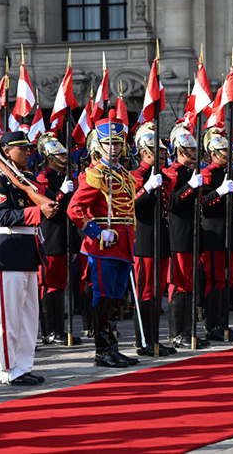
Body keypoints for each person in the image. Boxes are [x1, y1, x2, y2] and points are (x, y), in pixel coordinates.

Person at [0, 131, 57, 385]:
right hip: (8, 251)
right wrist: (36, 211)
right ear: (6, 152)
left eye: (28, 148)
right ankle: (7, 369)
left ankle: (23, 366)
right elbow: (0, 216)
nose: (28, 152)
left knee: (28, 316)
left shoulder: (24, 178)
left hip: (28, 249)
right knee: (9, 317)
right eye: (21, 149)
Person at [68, 117, 139, 367]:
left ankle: (113, 346)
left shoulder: (124, 174)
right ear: (98, 145)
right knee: (104, 296)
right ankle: (102, 350)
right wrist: (97, 232)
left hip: (124, 244)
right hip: (104, 245)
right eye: (108, 143)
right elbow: (75, 209)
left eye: (117, 143)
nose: (114, 148)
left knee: (116, 297)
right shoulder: (95, 175)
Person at [129, 123, 174, 356]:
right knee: (145, 293)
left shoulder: (163, 176)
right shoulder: (136, 176)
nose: (164, 155)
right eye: (160, 151)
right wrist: (146, 189)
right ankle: (143, 341)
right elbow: (131, 206)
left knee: (158, 292)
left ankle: (154, 338)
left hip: (161, 240)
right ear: (145, 151)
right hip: (144, 240)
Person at [163, 122, 207, 349]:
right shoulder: (171, 173)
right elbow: (172, 203)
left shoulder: (192, 172)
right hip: (178, 234)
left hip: (192, 233)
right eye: (189, 150)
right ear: (179, 151)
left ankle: (188, 332)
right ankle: (176, 333)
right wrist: (190, 186)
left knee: (190, 284)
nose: (194, 153)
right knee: (179, 284)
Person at [35, 133, 80, 346]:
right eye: (59, 154)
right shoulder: (42, 178)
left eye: (64, 154)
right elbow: (47, 206)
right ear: (49, 157)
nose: (64, 157)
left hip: (65, 236)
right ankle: (48, 331)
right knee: (49, 284)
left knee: (61, 285)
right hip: (50, 238)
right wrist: (61, 193)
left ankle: (60, 330)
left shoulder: (68, 176)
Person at [200, 128, 233, 342]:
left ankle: (225, 324)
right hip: (215, 234)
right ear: (214, 154)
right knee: (216, 279)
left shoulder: (232, 173)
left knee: (228, 279)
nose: (229, 153)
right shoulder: (208, 173)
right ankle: (213, 326)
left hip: (231, 232)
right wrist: (219, 192)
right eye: (224, 150)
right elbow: (203, 204)